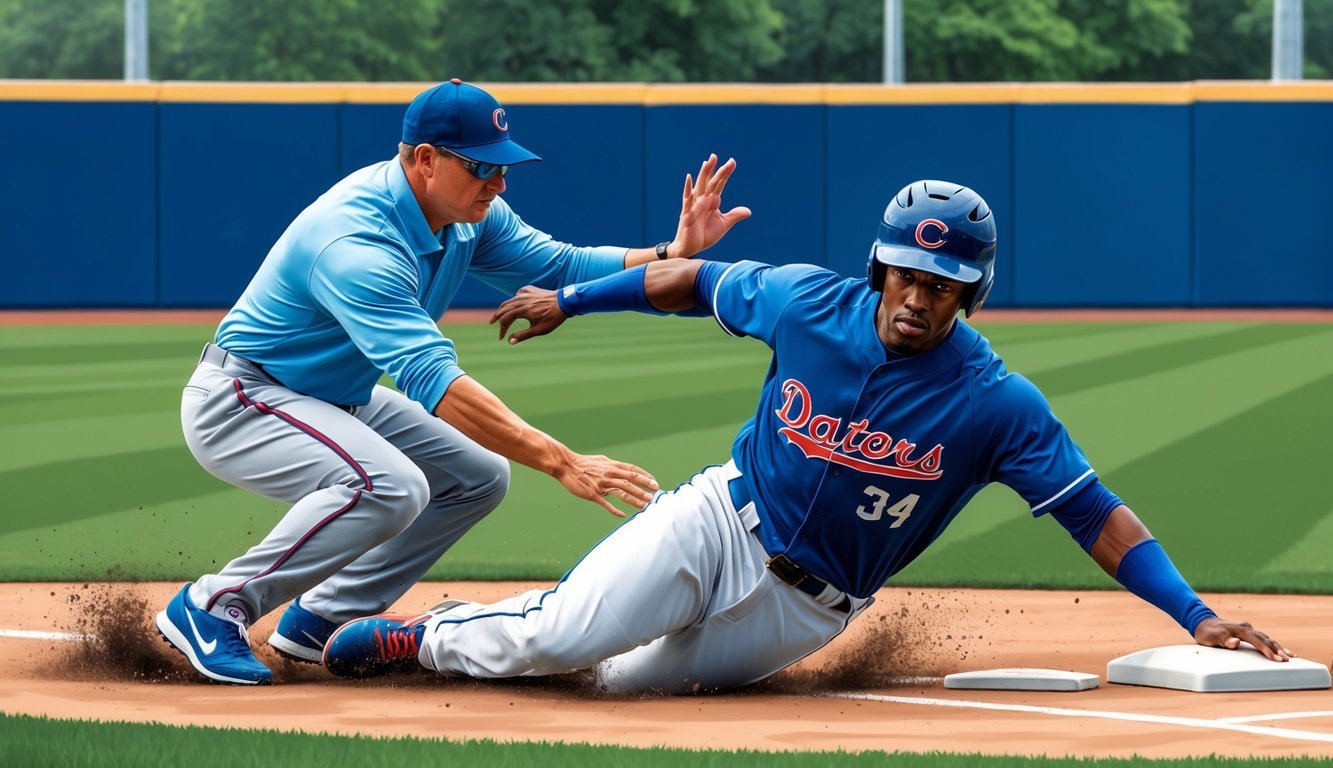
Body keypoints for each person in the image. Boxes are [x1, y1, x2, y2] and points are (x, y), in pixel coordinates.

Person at [320, 179, 1293, 693]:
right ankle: (426, 634)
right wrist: (572, 299)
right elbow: (690, 283)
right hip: (717, 519)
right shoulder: (806, 302)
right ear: (881, 269)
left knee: (612, 685)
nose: (920, 295)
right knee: (568, 634)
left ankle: (522, 625)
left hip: (807, 611)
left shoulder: (996, 403)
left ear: (971, 292)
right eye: (908, 274)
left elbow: (1092, 514)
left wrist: (1193, 614)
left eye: (943, 285)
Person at [153, 78, 751, 686]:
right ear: (425, 160)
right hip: (245, 399)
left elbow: (562, 262)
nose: (499, 183)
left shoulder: (463, 214)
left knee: (478, 477)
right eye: (482, 167)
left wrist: (671, 251)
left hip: (327, 394)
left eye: (502, 166)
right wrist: (561, 459)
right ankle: (212, 605)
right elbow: (437, 383)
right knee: (391, 485)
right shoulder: (356, 243)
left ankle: (322, 619)